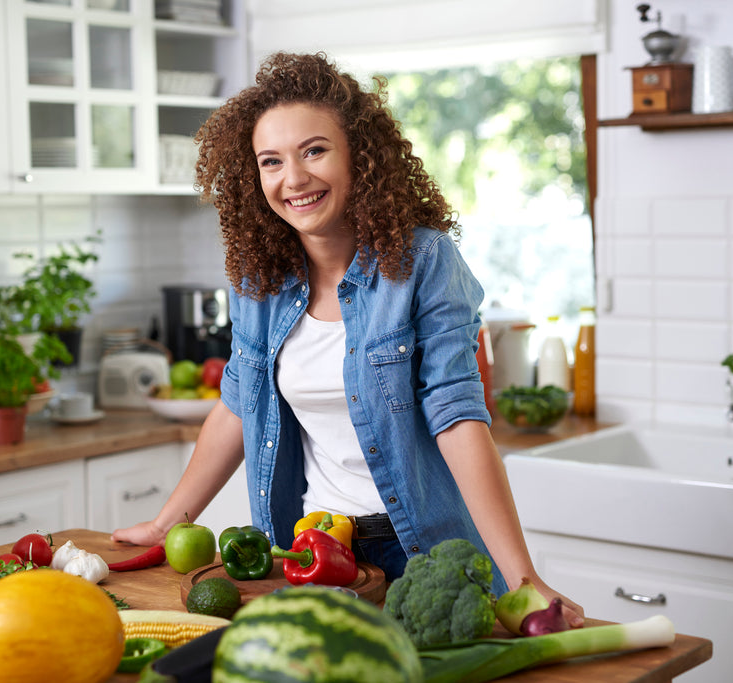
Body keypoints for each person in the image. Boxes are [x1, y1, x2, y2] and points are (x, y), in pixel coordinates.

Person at [112, 51, 584, 627]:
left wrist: (521, 577)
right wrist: (167, 524)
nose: (294, 179)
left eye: (314, 150)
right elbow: (238, 404)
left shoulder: (423, 261)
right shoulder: (259, 280)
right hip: (309, 547)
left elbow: (458, 417)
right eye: (271, 161)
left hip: (419, 549)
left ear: (360, 157)